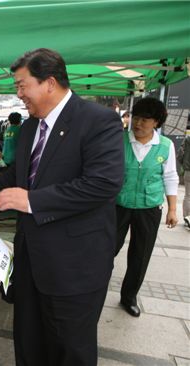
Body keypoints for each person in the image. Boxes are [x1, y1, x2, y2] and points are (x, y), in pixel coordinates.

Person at [0, 48, 124, 366]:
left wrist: (33, 200)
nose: (18, 94)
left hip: (74, 268)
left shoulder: (97, 121)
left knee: (70, 349)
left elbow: (103, 183)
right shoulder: (30, 128)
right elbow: (15, 174)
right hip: (31, 263)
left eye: (22, 85)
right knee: (30, 344)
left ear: (49, 82)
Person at [115, 98, 178, 317]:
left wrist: (172, 209)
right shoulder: (119, 140)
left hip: (149, 208)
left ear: (157, 122)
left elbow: (170, 177)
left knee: (140, 255)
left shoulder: (165, 146)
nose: (138, 123)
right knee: (105, 249)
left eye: (145, 119)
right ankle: (92, 289)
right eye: (136, 118)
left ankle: (129, 297)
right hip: (118, 205)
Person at [178, 127, 190, 228]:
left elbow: (180, 154)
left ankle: (187, 218)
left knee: (188, 196)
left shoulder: (187, 139)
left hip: (188, 171)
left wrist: (184, 164)